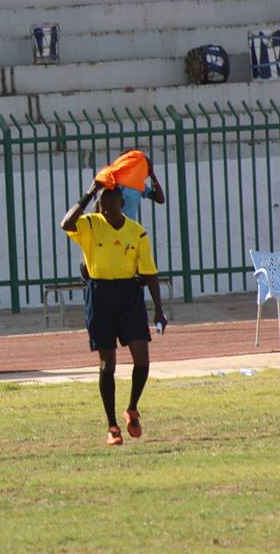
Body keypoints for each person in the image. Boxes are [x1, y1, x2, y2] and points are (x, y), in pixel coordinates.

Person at [61, 179, 167, 446]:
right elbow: (66, 223)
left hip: (129, 295)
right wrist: (88, 193)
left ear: (122, 203)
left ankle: (132, 408)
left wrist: (159, 310)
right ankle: (112, 426)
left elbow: (149, 273)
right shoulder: (90, 224)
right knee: (107, 363)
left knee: (142, 358)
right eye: (103, 204)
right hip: (100, 295)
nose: (107, 209)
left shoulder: (136, 231)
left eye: (112, 203)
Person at [95, 149, 165, 221]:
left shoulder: (139, 184)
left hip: (129, 228)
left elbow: (160, 199)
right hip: (111, 227)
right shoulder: (113, 180)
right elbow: (99, 206)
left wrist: (152, 175)